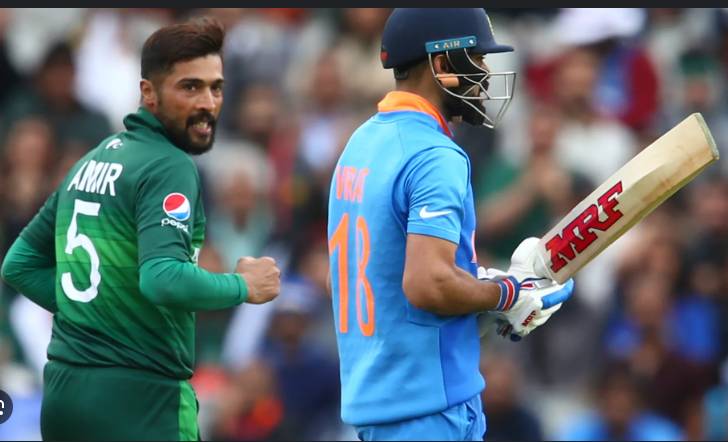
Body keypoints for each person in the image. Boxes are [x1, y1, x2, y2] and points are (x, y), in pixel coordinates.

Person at [0, 18, 281, 441]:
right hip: (140, 400)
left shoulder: (92, 160)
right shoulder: (169, 165)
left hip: (64, 394)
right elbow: (162, 279)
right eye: (190, 87)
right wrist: (242, 285)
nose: (207, 103)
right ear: (148, 93)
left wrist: (100, 319)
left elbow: (19, 264)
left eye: (216, 87)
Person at [326, 8, 575, 441]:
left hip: (381, 404)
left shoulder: (361, 142)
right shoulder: (434, 154)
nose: (485, 73)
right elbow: (428, 284)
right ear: (442, 64)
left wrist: (479, 284)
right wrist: (507, 294)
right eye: (476, 59)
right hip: (428, 410)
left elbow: (386, 270)